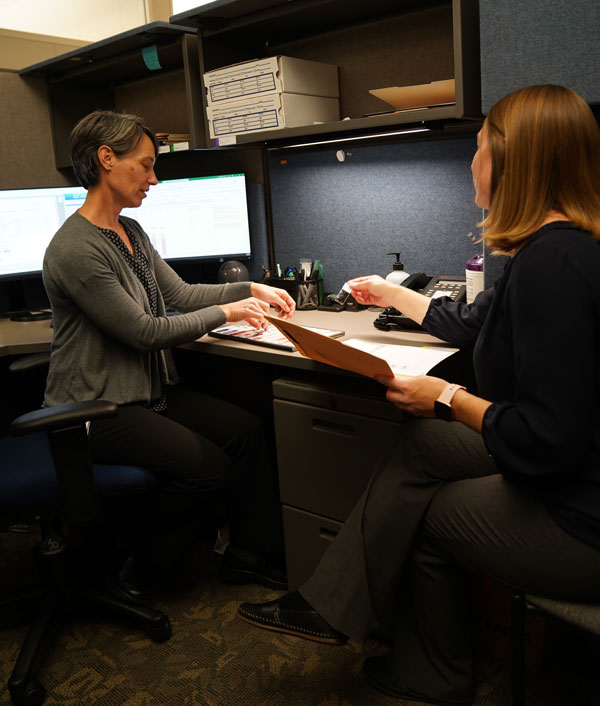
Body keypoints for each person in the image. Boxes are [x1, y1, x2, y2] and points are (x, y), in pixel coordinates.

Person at [237, 84, 600, 704]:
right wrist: (391, 292)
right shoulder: (550, 251)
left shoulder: (556, 267)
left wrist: (447, 396)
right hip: (567, 468)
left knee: (427, 516)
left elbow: (544, 439)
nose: (471, 162)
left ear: (516, 163)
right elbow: (470, 324)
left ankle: (434, 676)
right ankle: (330, 606)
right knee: (426, 445)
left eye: (481, 148)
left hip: (581, 511)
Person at [42, 109, 296, 597]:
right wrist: (231, 314)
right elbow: (144, 332)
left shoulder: (130, 232)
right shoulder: (75, 248)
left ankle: (248, 555)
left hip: (147, 392)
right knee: (208, 468)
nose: (154, 178)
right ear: (106, 159)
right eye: (146, 165)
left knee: (244, 431)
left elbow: (178, 296)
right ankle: (143, 565)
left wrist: (250, 290)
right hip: (96, 408)